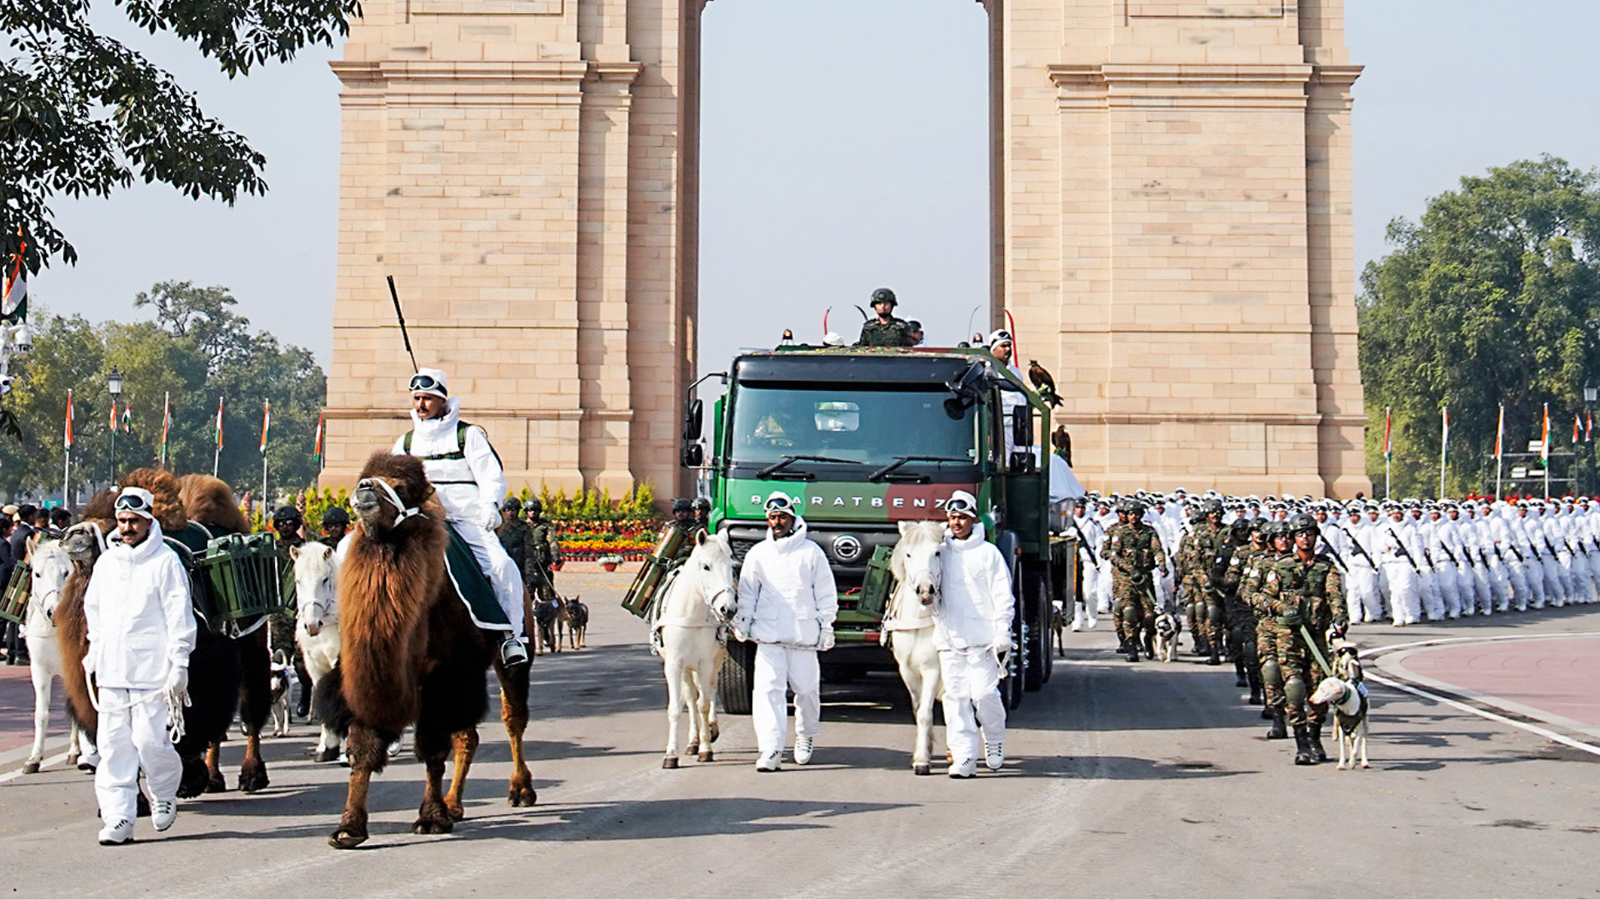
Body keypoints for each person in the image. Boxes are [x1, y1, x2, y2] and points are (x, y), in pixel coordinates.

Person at [82, 486, 196, 844]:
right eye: (122, 521)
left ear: (149, 521)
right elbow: (94, 612)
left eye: (133, 520)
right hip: (113, 674)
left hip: (153, 675)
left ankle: (163, 794)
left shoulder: (165, 562)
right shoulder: (106, 563)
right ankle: (119, 817)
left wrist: (179, 664)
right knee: (114, 748)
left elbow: (180, 616)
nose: (127, 527)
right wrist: (94, 653)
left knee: (150, 744)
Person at [394, 367, 527, 666]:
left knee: (502, 567)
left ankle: (511, 637)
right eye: (417, 398)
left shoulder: (469, 435)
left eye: (427, 398)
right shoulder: (405, 444)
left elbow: (491, 476)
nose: (420, 405)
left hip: (467, 522)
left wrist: (490, 505)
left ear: (442, 399)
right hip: (420, 523)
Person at [732, 491, 837, 772]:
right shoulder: (758, 554)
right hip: (769, 638)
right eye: (772, 517)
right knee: (767, 693)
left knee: (806, 692)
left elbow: (825, 593)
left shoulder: (811, 553)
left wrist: (827, 626)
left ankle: (805, 736)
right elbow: (747, 593)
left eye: (782, 517)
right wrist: (743, 622)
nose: (777, 522)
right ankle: (771, 748)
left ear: (792, 518)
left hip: (803, 638)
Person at [932, 491, 1012, 778]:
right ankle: (964, 757)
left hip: (983, 642)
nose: (956, 523)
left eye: (962, 518)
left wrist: (1003, 631)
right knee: (955, 700)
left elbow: (1003, 595)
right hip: (950, 640)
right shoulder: (939, 552)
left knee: (984, 695)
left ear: (973, 520)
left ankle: (993, 739)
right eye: (952, 518)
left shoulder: (989, 553)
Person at [1258, 513, 1346, 765]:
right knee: (1294, 688)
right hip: (1288, 637)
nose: (1305, 537)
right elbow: (1262, 597)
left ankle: (1315, 735)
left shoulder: (1325, 566)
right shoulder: (1282, 566)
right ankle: (1301, 743)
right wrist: (1280, 608)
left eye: (1309, 533)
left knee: (1320, 691)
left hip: (1316, 637)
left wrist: (1340, 617)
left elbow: (1334, 595)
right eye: (1300, 534)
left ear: (1316, 536)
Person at [1100, 497, 1167, 662]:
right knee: (1129, 612)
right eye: (1130, 514)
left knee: (1150, 615)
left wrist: (1162, 564)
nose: (1133, 517)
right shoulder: (1119, 533)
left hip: (1144, 578)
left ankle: (1147, 638)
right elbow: (1113, 554)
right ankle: (1130, 645)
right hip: (1125, 579)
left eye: (1137, 514)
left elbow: (1157, 549)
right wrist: (1130, 569)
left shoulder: (1149, 532)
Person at [269, 506, 315, 719]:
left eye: (289, 523)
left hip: (302, 608)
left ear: (297, 525)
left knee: (301, 660)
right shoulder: (270, 549)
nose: (285, 527)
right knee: (279, 656)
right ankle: (277, 699)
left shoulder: (306, 549)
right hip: (279, 610)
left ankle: (305, 693)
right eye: (281, 523)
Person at [524, 498, 562, 600]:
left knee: (548, 597)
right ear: (526, 512)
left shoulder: (545, 526)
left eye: (535, 510)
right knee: (526, 599)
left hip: (542, 567)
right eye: (530, 510)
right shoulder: (522, 527)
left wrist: (555, 555)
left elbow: (552, 541)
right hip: (527, 569)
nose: (532, 513)